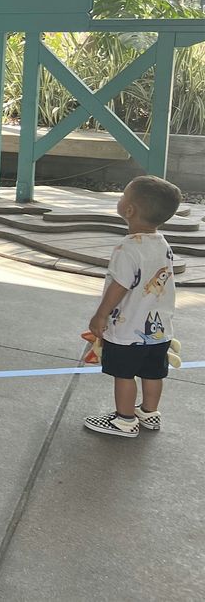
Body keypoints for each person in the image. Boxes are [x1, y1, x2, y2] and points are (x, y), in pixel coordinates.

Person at [84, 175, 182, 438]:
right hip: (159, 331)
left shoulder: (127, 249)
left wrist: (101, 315)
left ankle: (124, 420)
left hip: (128, 331)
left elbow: (120, 286)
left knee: (124, 374)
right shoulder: (162, 244)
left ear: (129, 210)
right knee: (153, 373)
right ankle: (149, 413)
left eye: (122, 196)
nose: (119, 200)